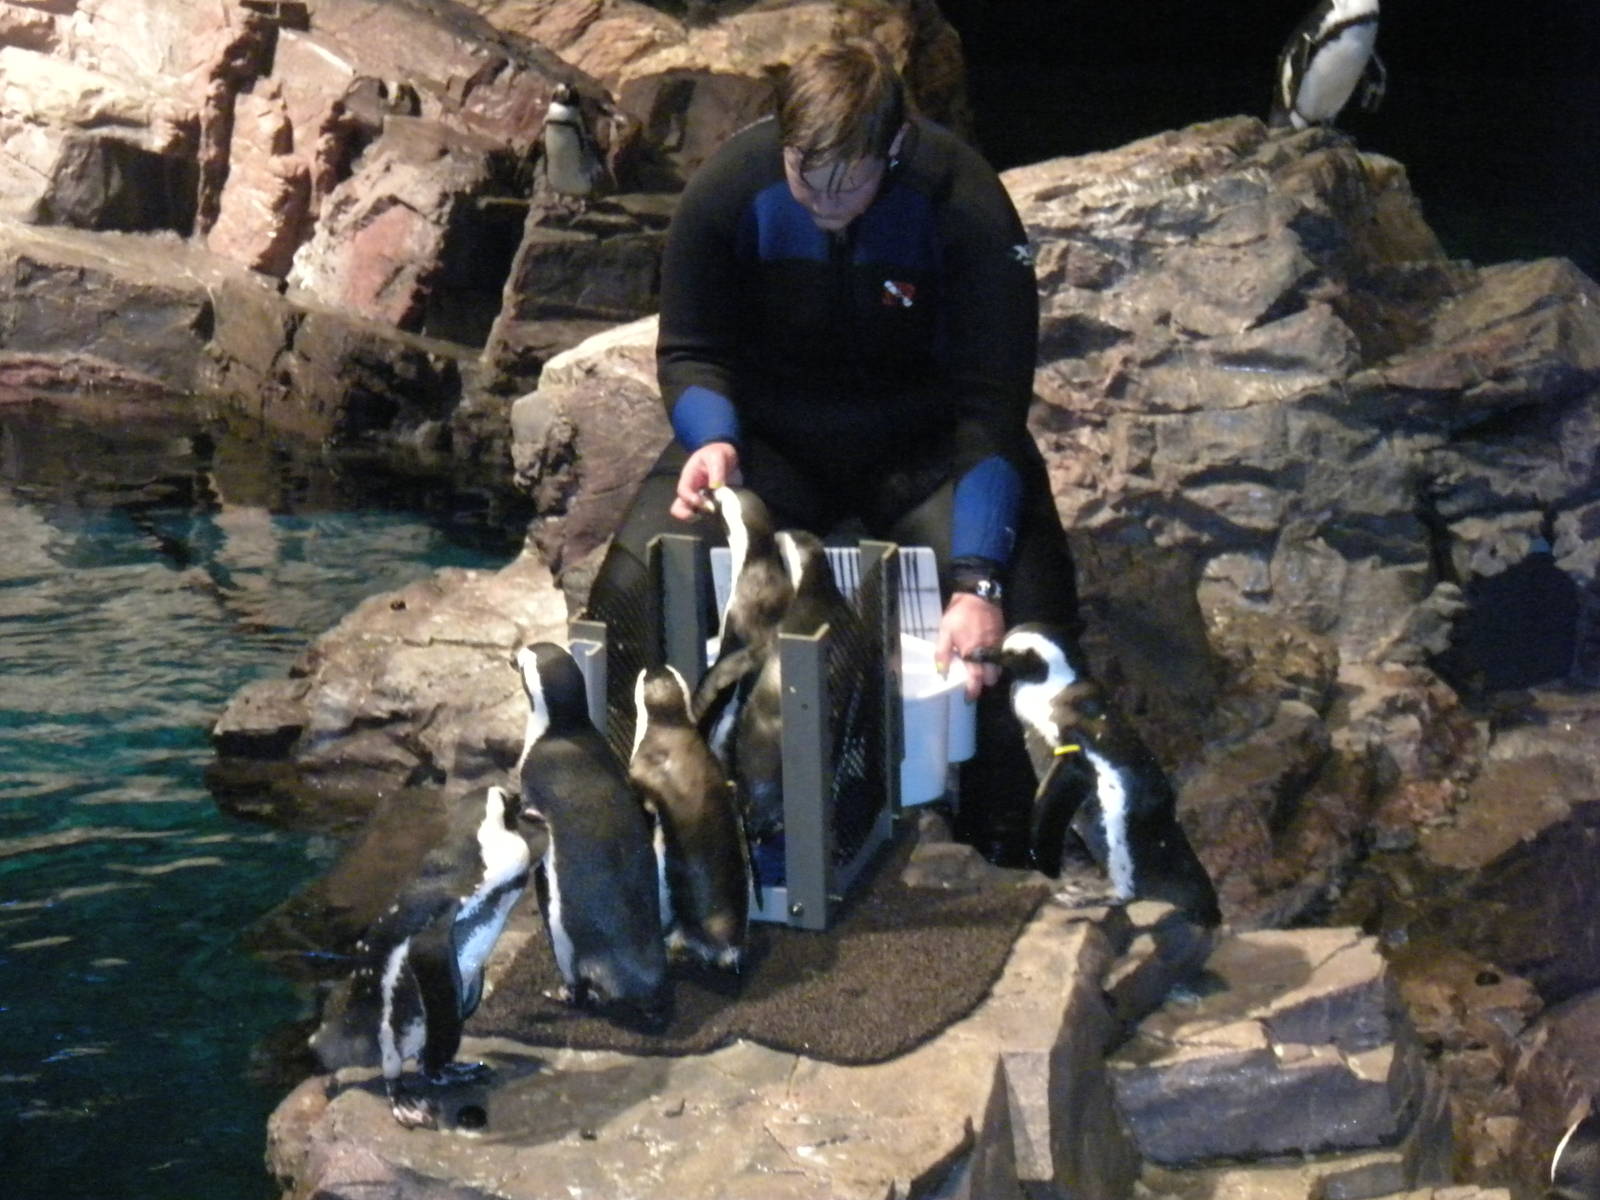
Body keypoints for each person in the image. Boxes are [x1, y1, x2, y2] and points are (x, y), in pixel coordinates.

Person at [583, 35, 1081, 865]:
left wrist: (980, 578)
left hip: (924, 449)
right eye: (804, 168)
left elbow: (992, 405)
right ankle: (638, 836)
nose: (822, 193)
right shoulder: (732, 191)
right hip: (772, 446)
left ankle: (1011, 847)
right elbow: (693, 351)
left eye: (847, 174)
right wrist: (713, 443)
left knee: (1029, 639)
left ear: (893, 147)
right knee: (632, 585)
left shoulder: (962, 205)